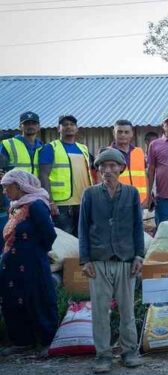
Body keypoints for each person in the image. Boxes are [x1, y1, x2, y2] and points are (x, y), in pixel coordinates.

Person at [78, 149, 145, 373]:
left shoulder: (132, 193)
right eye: (103, 166)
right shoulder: (89, 194)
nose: (108, 170)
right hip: (98, 260)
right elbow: (83, 229)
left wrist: (139, 255)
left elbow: (138, 227)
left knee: (127, 310)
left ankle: (129, 352)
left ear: (121, 168)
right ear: (98, 170)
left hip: (126, 260)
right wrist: (84, 259)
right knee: (100, 311)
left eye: (113, 166)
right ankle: (103, 355)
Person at [0, 170, 58, 358]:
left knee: (37, 298)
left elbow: (49, 234)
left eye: (6, 187)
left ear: (18, 186)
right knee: (14, 299)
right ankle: (22, 341)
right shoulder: (16, 206)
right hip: (13, 264)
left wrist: (34, 251)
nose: (4, 191)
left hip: (32, 262)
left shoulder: (36, 205)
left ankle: (47, 341)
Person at [38, 114, 94, 235]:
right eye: (65, 124)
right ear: (59, 128)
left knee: (83, 235)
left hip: (83, 201)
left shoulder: (83, 148)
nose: (69, 127)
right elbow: (43, 175)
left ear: (77, 128)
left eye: (72, 124)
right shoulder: (50, 148)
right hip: (61, 203)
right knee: (64, 237)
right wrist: (50, 201)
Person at [106, 120, 148, 205]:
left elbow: (145, 176)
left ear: (131, 134)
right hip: (116, 202)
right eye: (120, 132)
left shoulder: (139, 152)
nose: (123, 135)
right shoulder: (107, 153)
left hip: (139, 202)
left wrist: (146, 197)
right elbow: (100, 179)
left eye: (126, 132)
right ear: (114, 133)